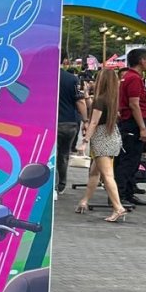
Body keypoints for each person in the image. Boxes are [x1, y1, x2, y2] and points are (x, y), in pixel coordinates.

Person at [75, 68, 127, 222]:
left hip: (101, 139)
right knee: (95, 172)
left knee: (107, 175)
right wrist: (87, 97)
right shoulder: (111, 99)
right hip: (111, 137)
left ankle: (118, 207)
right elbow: (98, 113)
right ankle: (84, 201)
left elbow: (94, 122)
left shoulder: (100, 100)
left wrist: (84, 141)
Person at [115, 49, 146, 207]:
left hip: (132, 123)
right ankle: (120, 195)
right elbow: (134, 104)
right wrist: (142, 128)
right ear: (141, 61)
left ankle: (129, 193)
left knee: (134, 160)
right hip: (133, 124)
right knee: (129, 161)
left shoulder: (130, 77)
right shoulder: (134, 79)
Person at [56, 53, 87, 195]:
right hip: (68, 122)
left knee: (48, 155)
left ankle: (51, 185)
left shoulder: (43, 77)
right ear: (64, 60)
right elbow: (80, 101)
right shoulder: (72, 79)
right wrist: (86, 121)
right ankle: (61, 184)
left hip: (49, 123)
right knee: (63, 155)